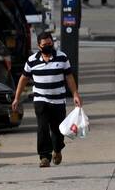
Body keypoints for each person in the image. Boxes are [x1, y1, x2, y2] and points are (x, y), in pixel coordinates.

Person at [11, 29, 82, 168]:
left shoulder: (62, 57)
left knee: (57, 129)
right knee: (42, 128)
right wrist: (16, 98)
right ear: (39, 46)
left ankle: (57, 149)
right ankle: (44, 156)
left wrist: (75, 94)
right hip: (40, 100)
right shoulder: (32, 61)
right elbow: (23, 78)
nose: (48, 46)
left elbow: (69, 76)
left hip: (58, 100)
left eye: (50, 43)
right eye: (45, 44)